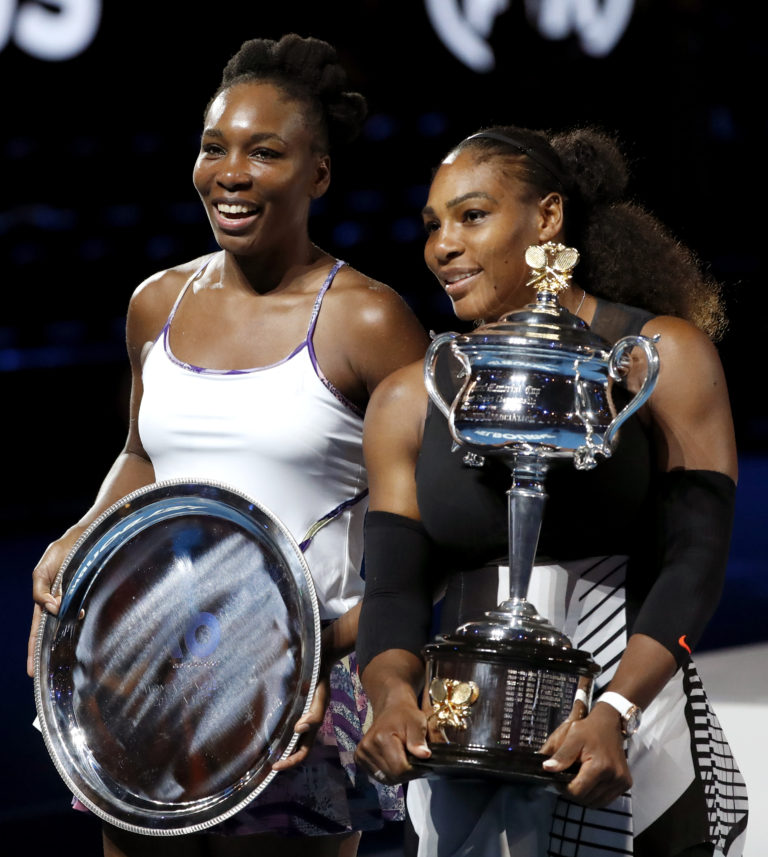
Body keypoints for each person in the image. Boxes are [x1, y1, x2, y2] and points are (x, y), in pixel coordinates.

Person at [27, 33, 429, 857]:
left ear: (318, 174)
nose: (231, 172)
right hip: (152, 672)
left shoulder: (368, 320)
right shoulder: (157, 303)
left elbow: (420, 528)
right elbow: (144, 454)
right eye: (214, 147)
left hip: (302, 687)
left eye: (265, 151)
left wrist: (328, 650)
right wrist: (82, 529)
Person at [354, 126, 748, 857]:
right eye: (434, 225)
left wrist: (616, 710)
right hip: (463, 759)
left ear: (547, 218)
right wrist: (392, 699)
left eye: (472, 216)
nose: (443, 244)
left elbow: (695, 561)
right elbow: (394, 594)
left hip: (632, 743)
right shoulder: (410, 397)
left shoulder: (659, 358)